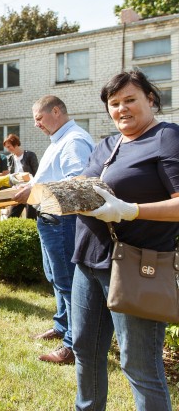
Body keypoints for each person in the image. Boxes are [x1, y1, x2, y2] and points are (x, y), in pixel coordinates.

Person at [71, 70, 179, 410]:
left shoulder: (167, 137)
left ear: (150, 99)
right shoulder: (106, 145)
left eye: (130, 99)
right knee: (85, 351)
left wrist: (130, 210)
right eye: (113, 103)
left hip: (137, 264)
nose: (121, 109)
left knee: (139, 364)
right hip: (89, 262)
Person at [13, 95, 94, 365]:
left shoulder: (73, 141)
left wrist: (34, 190)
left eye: (39, 118)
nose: (36, 124)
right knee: (55, 277)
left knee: (68, 282)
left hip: (64, 222)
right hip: (51, 218)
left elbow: (79, 186)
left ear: (56, 111)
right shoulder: (59, 140)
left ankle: (72, 345)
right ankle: (62, 326)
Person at [3, 133, 39, 219]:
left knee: (31, 218)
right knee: (11, 217)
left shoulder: (30, 155)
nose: (8, 149)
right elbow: (11, 176)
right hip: (17, 190)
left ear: (15, 144)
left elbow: (37, 173)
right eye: (6, 147)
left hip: (30, 190)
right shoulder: (10, 158)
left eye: (9, 146)